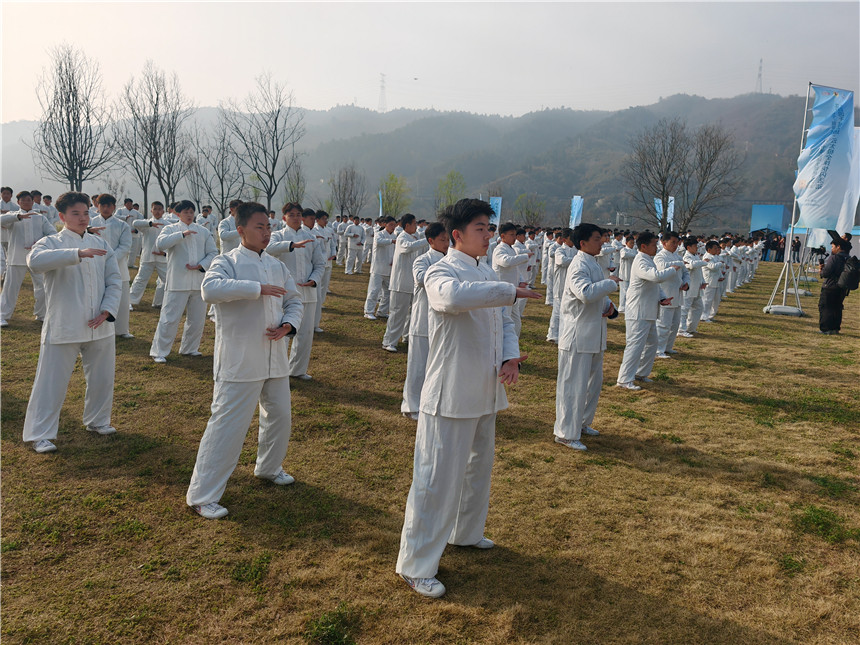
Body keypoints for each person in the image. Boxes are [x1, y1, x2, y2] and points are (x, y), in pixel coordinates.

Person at [395, 199, 540, 598]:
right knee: (436, 478)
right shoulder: (441, 271)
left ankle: (466, 531)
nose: (489, 235)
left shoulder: (485, 270)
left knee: (478, 468)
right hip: (451, 391)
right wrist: (509, 290)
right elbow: (452, 299)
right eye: (481, 228)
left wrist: (509, 355)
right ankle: (415, 563)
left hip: (484, 388)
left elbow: (503, 321)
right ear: (456, 235)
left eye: (489, 228)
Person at [186, 201, 304, 519]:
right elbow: (209, 290)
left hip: (275, 356)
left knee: (279, 415)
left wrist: (289, 324)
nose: (266, 232)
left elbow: (294, 299)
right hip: (240, 358)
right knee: (227, 425)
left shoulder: (278, 265)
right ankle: (202, 495)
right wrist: (256, 289)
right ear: (241, 230)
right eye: (259, 227)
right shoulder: (226, 262)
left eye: (268, 226)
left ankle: (269, 467)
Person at [22, 191, 121, 453]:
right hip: (64, 323)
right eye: (76, 213)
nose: (82, 218)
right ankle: (40, 433)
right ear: (63, 216)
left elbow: (114, 280)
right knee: (50, 380)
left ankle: (98, 420)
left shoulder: (102, 244)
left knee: (102, 377)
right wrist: (76, 253)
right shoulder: (50, 242)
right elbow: (34, 262)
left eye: (86, 212)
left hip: (100, 323)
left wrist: (107, 310)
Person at [554, 223, 620, 451]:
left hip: (594, 333)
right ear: (582, 243)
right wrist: (611, 284)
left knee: (592, 384)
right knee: (573, 386)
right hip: (577, 335)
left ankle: (581, 423)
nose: (602, 241)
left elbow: (598, 296)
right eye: (596, 238)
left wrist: (611, 308)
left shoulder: (594, 263)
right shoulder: (578, 265)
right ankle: (565, 432)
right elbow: (585, 292)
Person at [150, 200, 217, 363]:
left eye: (191, 211)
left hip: (198, 281)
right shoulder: (170, 229)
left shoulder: (203, 231)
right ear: (178, 214)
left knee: (197, 318)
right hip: (177, 282)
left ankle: (190, 348)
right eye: (185, 212)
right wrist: (181, 235)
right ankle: (159, 351)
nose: (189, 215)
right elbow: (161, 244)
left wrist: (202, 266)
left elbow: (213, 252)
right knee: (169, 318)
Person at [616, 232, 679, 390]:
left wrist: (662, 298)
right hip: (638, 311)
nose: (656, 248)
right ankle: (624, 379)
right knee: (635, 345)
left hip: (648, 310)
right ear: (643, 246)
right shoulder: (640, 261)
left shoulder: (648, 260)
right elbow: (656, 277)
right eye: (653, 245)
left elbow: (654, 285)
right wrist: (672, 269)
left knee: (652, 343)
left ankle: (640, 373)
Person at [267, 205, 324, 380]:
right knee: (283, 332)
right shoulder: (278, 235)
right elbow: (268, 249)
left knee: (305, 333)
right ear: (284, 218)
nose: (295, 218)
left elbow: (319, 264)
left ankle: (298, 370)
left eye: (298, 215)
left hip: (308, 292)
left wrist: (314, 279)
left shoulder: (311, 238)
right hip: (285, 293)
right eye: (291, 215)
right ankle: (277, 370)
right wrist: (291, 245)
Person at [401, 222, 448, 420]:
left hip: (443, 321)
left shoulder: (451, 260)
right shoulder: (422, 260)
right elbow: (421, 279)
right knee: (418, 365)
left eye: (448, 240)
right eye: (443, 240)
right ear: (431, 241)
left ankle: (432, 402)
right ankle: (411, 406)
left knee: (438, 365)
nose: (447, 244)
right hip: (422, 320)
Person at [0, 190, 57, 326]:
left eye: (29, 200)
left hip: (36, 257)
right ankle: (3, 315)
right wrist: (18, 216)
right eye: (23, 200)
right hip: (16, 257)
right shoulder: (12, 216)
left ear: (33, 201)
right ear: (18, 202)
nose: (26, 202)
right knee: (10, 288)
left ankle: (41, 314)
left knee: (42, 287)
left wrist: (40, 243)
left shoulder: (40, 217)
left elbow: (52, 233)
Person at [89, 194, 134, 338]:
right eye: (103, 205)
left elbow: (126, 246)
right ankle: (100, 328)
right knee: (97, 297)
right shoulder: (90, 224)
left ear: (114, 207)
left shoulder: (122, 225)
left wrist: (111, 258)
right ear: (98, 206)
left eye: (109, 205)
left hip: (119, 267)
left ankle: (122, 330)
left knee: (122, 300)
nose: (106, 208)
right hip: (95, 265)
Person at [383, 213, 429, 352]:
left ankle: (406, 335)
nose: (416, 226)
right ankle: (389, 341)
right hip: (400, 283)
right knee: (397, 313)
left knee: (412, 312)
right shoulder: (402, 237)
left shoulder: (414, 237)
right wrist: (426, 240)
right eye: (414, 223)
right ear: (407, 225)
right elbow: (407, 247)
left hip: (412, 282)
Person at [654, 231, 689, 358]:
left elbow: (686, 273)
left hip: (678, 294)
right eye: (672, 242)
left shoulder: (678, 256)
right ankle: (658, 349)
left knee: (674, 325)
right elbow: (661, 267)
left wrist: (686, 282)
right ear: (664, 243)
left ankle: (668, 347)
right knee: (663, 325)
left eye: (677, 242)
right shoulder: (660, 256)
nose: (675, 245)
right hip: (666, 294)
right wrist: (679, 264)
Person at [129, 201, 168, 308]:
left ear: (163, 211)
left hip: (162, 258)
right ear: (151, 210)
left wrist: (164, 253)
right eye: (155, 209)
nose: (157, 211)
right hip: (147, 257)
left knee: (167, 281)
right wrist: (150, 224)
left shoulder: (167, 225)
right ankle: (130, 301)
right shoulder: (146, 224)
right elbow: (135, 223)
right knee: (140, 280)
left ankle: (158, 302)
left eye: (159, 209)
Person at [818, 232, 852, 334]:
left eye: (833, 247)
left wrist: (821, 270)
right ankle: (835, 328)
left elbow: (827, 273)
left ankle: (826, 329)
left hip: (830, 286)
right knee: (837, 307)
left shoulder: (834, 257)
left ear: (838, 247)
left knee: (825, 307)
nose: (832, 249)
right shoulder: (848, 258)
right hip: (842, 287)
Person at [364, 217, 397, 320]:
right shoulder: (379, 234)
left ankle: (382, 311)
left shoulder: (395, 236)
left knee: (387, 292)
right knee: (374, 291)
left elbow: (395, 251)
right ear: (385, 224)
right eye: (391, 224)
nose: (393, 227)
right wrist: (392, 241)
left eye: (394, 225)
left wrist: (394, 260)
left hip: (389, 269)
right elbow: (379, 242)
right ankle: (368, 311)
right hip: (378, 268)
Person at [312, 210, 337, 332]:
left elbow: (333, 244)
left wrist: (333, 254)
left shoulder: (329, 230)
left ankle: (320, 304)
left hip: (328, 262)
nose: (325, 221)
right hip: (318, 264)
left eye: (326, 219)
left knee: (324, 286)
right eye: (323, 219)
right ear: (317, 220)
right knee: (317, 287)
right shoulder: (313, 231)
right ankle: (314, 318)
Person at [679, 236, 708, 337]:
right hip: (689, 287)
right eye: (695, 246)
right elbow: (691, 265)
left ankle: (691, 328)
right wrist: (704, 262)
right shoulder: (686, 257)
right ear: (688, 247)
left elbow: (699, 271)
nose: (697, 248)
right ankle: (681, 330)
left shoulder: (695, 256)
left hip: (697, 287)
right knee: (684, 309)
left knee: (698, 308)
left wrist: (703, 281)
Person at [617, 234, 637, 313]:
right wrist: (635, 255)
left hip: (631, 274)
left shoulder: (635, 251)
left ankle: (629, 307)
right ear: (626, 243)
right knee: (624, 292)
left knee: (630, 292)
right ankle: (622, 307)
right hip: (624, 274)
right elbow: (624, 255)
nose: (632, 245)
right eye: (631, 243)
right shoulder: (624, 250)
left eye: (633, 243)